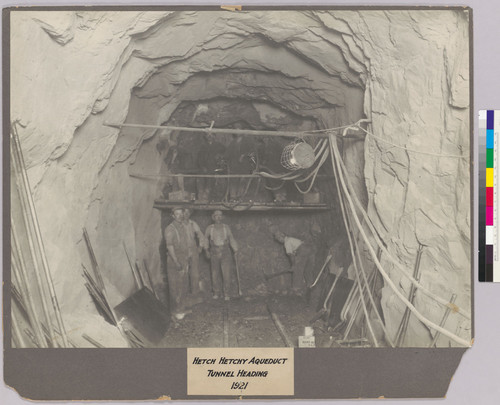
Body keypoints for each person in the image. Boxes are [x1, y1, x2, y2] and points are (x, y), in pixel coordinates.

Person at [204, 210, 239, 300]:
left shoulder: (226, 227)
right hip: (214, 252)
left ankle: (226, 293)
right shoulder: (209, 228)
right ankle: (216, 292)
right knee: (214, 274)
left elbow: (231, 238)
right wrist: (206, 250)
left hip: (225, 252)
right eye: (216, 215)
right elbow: (205, 240)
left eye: (220, 215)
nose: (218, 217)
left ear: (222, 217)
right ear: (213, 217)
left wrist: (235, 249)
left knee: (226, 274)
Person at [164, 207, 190, 320]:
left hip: (183, 258)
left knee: (183, 284)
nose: (180, 216)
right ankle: (175, 311)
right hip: (174, 259)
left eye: (181, 213)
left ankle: (181, 308)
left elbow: (185, 244)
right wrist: (176, 262)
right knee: (175, 286)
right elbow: (169, 247)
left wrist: (186, 259)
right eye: (177, 214)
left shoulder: (182, 227)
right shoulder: (170, 229)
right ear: (173, 216)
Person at [273, 230, 315, 295]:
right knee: (307, 269)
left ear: (282, 236)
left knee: (297, 270)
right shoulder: (291, 239)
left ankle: (296, 289)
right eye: (277, 239)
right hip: (310, 249)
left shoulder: (287, 242)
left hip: (302, 250)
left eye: (279, 238)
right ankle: (310, 286)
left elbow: (291, 255)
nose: (279, 240)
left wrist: (293, 265)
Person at [183, 208, 208, 299]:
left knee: (195, 272)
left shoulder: (193, 224)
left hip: (193, 249)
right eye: (184, 212)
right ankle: (184, 294)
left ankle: (195, 294)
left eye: (188, 212)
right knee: (184, 272)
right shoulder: (178, 224)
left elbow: (200, 235)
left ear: (190, 214)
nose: (186, 214)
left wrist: (200, 247)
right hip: (182, 250)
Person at [197, 133, 226, 201]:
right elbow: (200, 158)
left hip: (215, 168)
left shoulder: (219, 146)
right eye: (208, 135)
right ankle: (201, 197)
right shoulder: (203, 146)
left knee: (212, 183)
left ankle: (209, 198)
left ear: (214, 136)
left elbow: (225, 155)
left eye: (211, 135)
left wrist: (220, 156)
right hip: (204, 168)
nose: (209, 137)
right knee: (201, 181)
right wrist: (202, 166)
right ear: (206, 137)